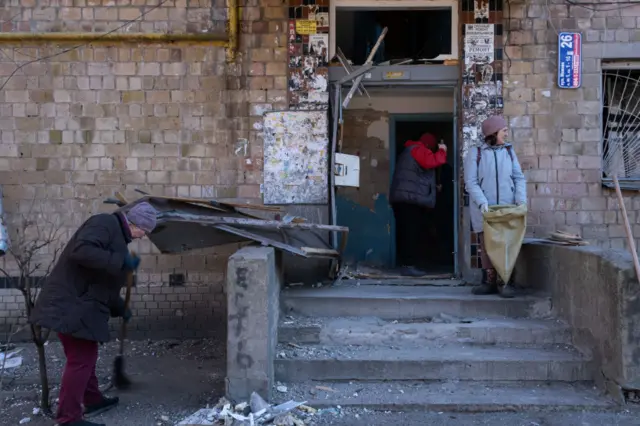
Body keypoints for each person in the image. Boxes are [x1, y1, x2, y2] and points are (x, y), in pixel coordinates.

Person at [30, 202, 158, 426]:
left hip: (78, 306)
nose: (142, 237)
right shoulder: (105, 223)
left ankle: (92, 399)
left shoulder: (117, 237)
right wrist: (121, 262)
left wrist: (120, 308)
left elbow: (103, 283)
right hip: (71, 306)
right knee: (81, 359)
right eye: (143, 232)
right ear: (134, 223)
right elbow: (82, 251)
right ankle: (68, 418)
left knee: (84, 357)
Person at [464, 116, 527, 298]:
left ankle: (506, 282)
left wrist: (520, 200)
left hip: (507, 209)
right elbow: (471, 182)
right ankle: (488, 282)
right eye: (503, 130)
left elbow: (518, 177)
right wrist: (483, 202)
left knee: (507, 244)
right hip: (485, 209)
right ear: (493, 133)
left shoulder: (509, 151)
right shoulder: (475, 153)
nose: (507, 133)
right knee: (487, 246)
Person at [390, 132, 448, 277]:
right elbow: (432, 162)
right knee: (411, 232)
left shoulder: (408, 150)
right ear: (429, 144)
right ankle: (409, 266)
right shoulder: (418, 149)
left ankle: (406, 264)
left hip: (402, 198)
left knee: (405, 231)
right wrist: (442, 151)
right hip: (409, 199)